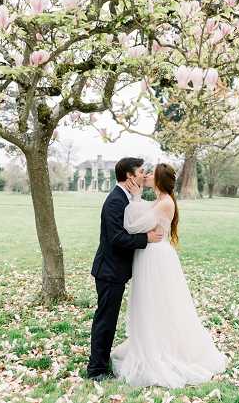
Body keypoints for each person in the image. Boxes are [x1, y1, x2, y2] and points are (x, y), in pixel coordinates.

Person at [110, 163, 226, 388]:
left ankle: (162, 349)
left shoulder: (165, 203)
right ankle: (152, 342)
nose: (147, 176)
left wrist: (134, 199)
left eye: (152, 174)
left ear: (160, 180)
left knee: (159, 304)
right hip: (150, 255)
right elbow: (144, 216)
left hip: (156, 259)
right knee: (151, 304)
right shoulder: (160, 200)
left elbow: (133, 226)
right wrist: (138, 198)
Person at [87, 157, 163, 381]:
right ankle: (96, 370)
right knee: (105, 320)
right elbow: (117, 238)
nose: (143, 174)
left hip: (116, 270)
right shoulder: (115, 201)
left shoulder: (126, 198)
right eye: (140, 171)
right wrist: (146, 238)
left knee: (107, 319)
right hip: (109, 271)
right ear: (130, 176)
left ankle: (100, 363)